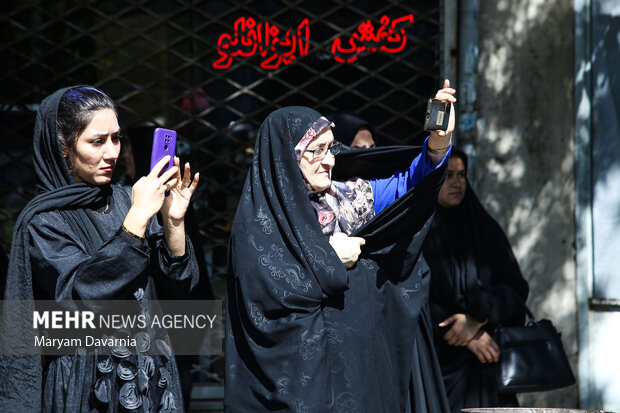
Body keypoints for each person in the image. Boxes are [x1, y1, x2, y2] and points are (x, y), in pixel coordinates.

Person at [225, 82, 456, 412]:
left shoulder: (350, 197)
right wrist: (328, 258)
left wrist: (438, 142)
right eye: (315, 151)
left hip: (357, 374)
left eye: (330, 149)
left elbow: (410, 185)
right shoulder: (259, 221)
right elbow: (264, 296)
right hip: (295, 386)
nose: (328, 161)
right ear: (285, 158)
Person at [0, 86, 200, 412]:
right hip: (88, 386)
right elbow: (83, 294)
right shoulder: (44, 220)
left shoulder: (125, 200)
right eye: (97, 142)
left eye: (117, 138)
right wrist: (136, 220)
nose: (112, 153)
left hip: (151, 380)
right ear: (62, 147)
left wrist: (173, 222)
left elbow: (178, 287)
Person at [421, 148, 530, 413]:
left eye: (462, 175)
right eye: (447, 176)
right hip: (437, 365)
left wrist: (478, 319)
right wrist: (463, 333)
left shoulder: (483, 227)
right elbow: (409, 294)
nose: (457, 183)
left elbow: (516, 289)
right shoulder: (417, 233)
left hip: (486, 365)